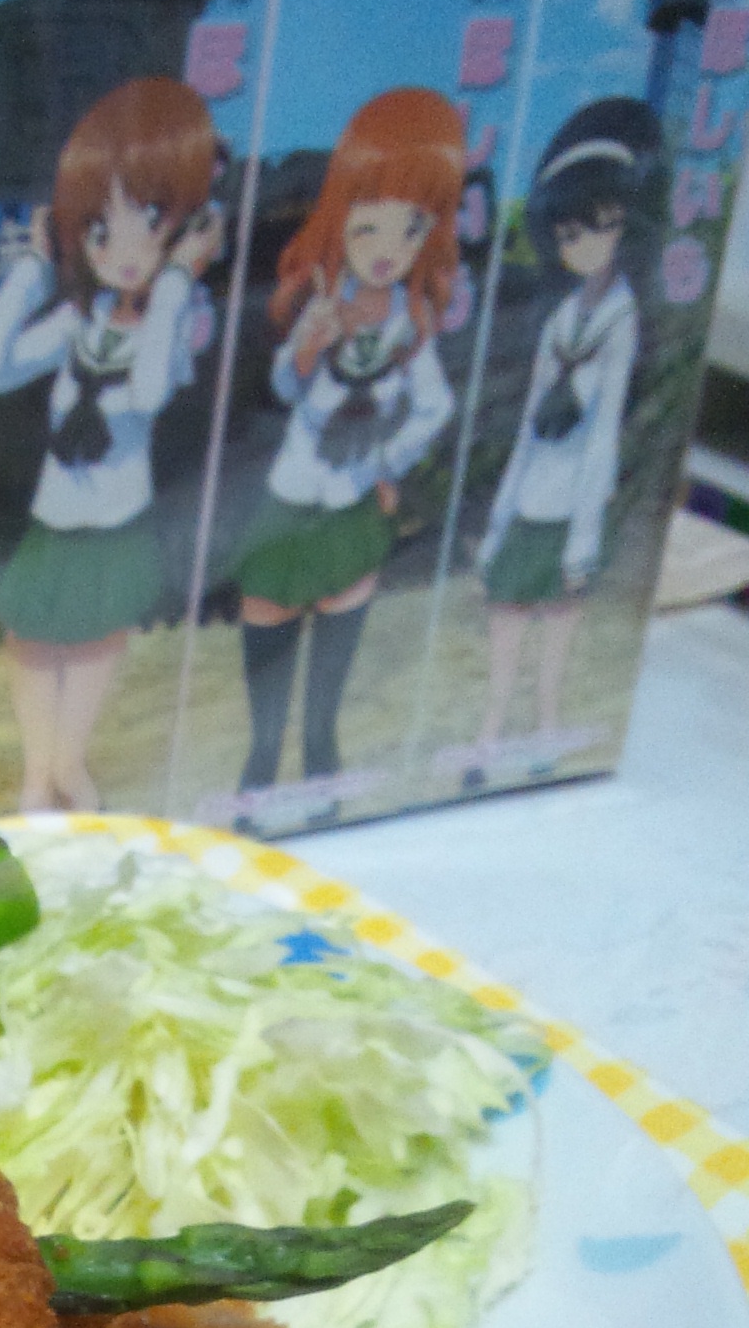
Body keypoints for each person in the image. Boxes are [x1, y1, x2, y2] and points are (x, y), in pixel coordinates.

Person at [0, 77, 223, 811]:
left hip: (115, 520)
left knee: (94, 641)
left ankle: (68, 765)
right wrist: (30, 272)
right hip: (56, 517)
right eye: (102, 229)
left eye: (151, 221)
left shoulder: (175, 322)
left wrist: (177, 281)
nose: (125, 251)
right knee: (33, 638)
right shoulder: (83, 318)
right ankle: (40, 774)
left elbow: (148, 392)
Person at [230, 87, 464, 812]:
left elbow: (436, 405)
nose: (388, 250)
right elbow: (284, 389)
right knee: (268, 645)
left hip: (354, 499)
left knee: (326, 699)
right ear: (339, 220)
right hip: (292, 495)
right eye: (368, 228)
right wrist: (308, 346)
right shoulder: (321, 300)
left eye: (410, 228)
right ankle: (258, 782)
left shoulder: (410, 322)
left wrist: (388, 462)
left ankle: (322, 784)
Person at [468, 97, 660, 779]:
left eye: (600, 225)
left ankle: (546, 736)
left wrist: (583, 539)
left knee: (556, 642)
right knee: (505, 629)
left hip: (573, 508)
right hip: (531, 502)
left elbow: (604, 435)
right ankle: (490, 737)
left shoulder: (622, 320)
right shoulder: (559, 322)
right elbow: (529, 428)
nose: (584, 243)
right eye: (570, 231)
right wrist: (498, 523)